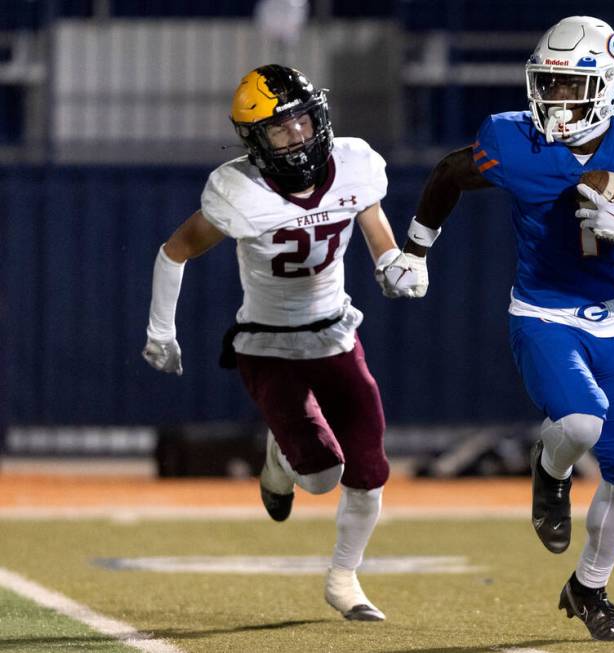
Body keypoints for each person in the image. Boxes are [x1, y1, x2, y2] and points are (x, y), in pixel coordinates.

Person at [377, 16, 614, 642]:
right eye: (548, 84)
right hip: (542, 314)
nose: (555, 100)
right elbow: (447, 173)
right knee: (579, 421)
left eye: (571, 87)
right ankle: (551, 472)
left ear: (609, 86)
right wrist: (415, 248)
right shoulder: (514, 141)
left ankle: (589, 588)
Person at [142, 64, 406, 622]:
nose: (300, 136)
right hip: (267, 344)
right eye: (282, 129)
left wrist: (393, 265)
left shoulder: (354, 162)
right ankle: (280, 459)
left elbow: (374, 221)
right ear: (256, 141)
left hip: (334, 332)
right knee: (319, 477)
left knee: (370, 466)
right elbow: (175, 250)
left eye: (305, 121)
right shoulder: (239, 190)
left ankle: (344, 578)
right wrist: (160, 331)